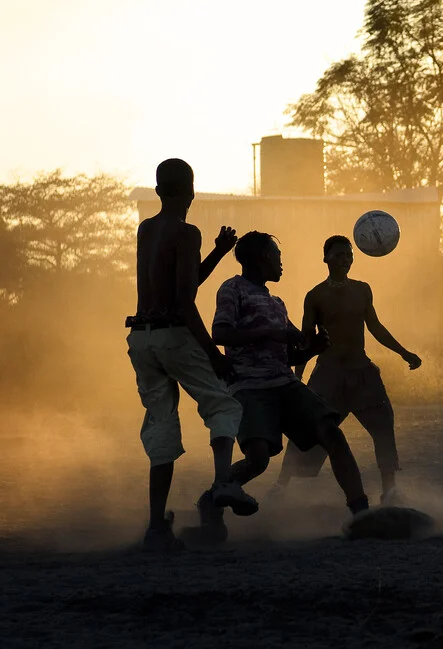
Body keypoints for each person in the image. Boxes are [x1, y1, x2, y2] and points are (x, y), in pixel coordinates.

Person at [125, 158, 257, 552]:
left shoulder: (147, 229)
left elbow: (179, 283)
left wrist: (217, 253)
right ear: (192, 192)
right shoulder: (186, 232)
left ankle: (155, 528)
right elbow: (184, 302)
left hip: (141, 340)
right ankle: (222, 484)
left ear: (158, 191)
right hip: (173, 335)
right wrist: (212, 353)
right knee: (224, 403)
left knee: (162, 426)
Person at [211, 231, 370, 534]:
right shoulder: (233, 289)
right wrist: (271, 334)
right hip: (249, 387)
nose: (282, 264)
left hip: (285, 383)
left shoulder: (277, 302)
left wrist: (314, 348)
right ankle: (214, 497)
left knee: (331, 433)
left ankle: (360, 511)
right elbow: (221, 334)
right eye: (277, 257)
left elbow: (292, 351)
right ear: (261, 259)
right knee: (258, 460)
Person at [266, 235, 422, 504]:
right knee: (308, 428)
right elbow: (306, 337)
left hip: (362, 373)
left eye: (348, 254)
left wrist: (403, 352)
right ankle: (281, 486)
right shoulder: (315, 296)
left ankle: (390, 490)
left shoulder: (362, 290)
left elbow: (375, 326)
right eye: (338, 254)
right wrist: (298, 376)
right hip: (328, 375)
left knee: (384, 425)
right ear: (325, 258)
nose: (345, 259)